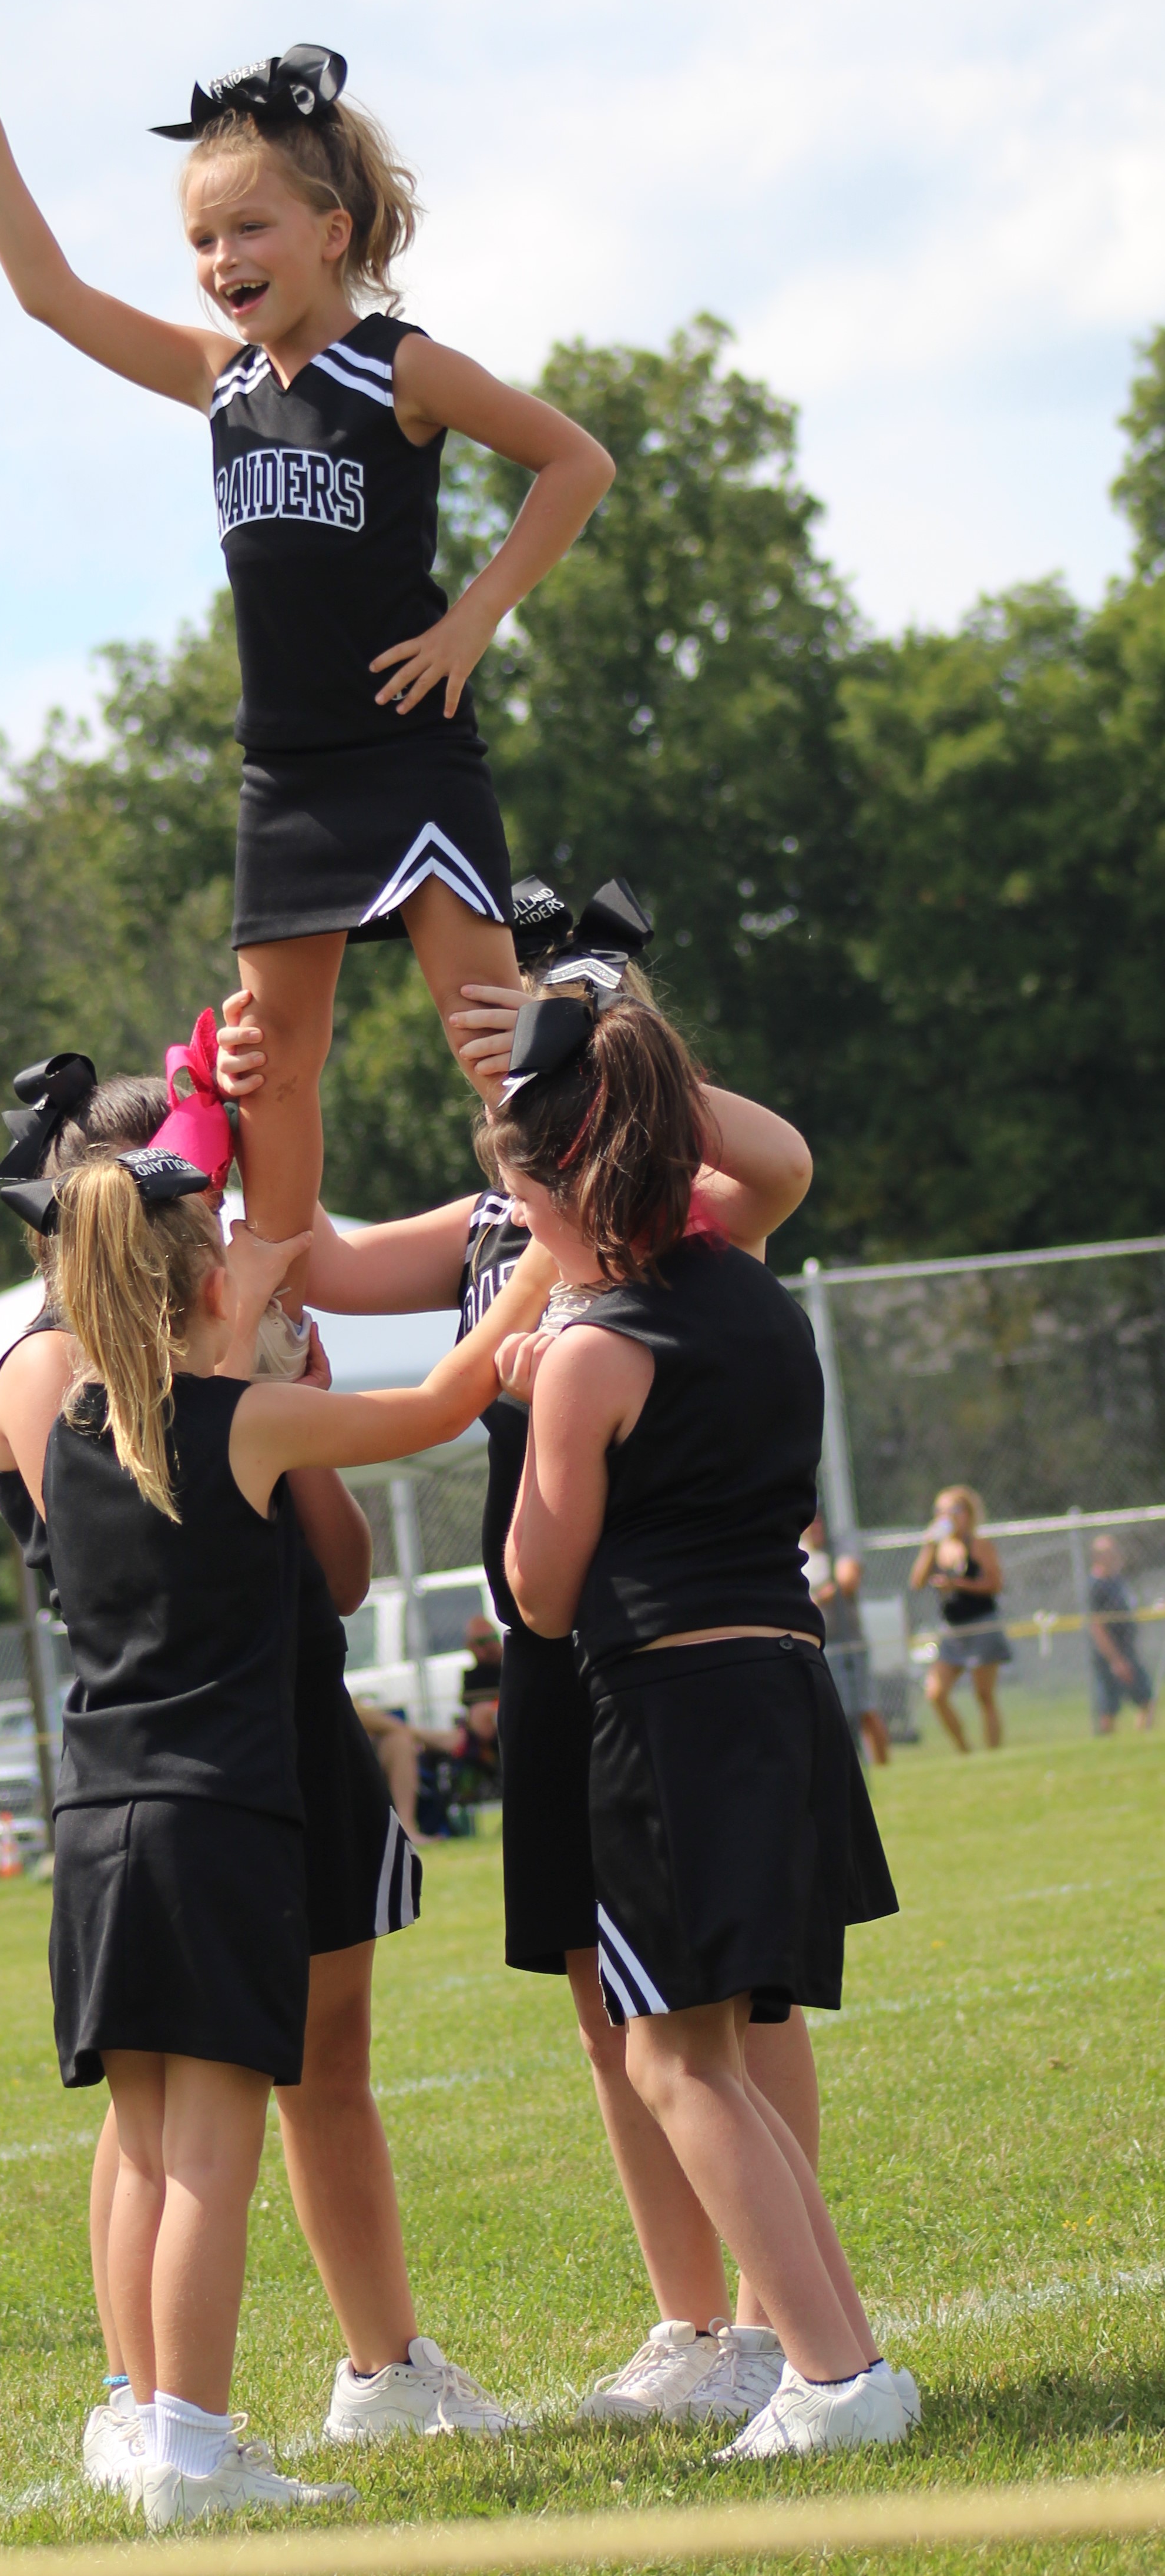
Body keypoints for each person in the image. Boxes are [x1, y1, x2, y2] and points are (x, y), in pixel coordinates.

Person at [0, 28, 613, 1365]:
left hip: (411, 757)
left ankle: (594, 1249)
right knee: (272, 1064)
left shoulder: (401, 368)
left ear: (330, 231)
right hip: (286, 779)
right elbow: (50, 295)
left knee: (492, 1039)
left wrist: (473, 617)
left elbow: (574, 462)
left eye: (249, 228)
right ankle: (281, 1307)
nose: (221, 259)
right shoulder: (218, 378)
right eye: (201, 239)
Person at [287, 894, 854, 2433]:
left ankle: (776, 2329)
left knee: (734, 2001)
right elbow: (316, 1259)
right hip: (561, 1654)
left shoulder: (675, 1196)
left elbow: (780, 1166)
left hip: (673, 1641)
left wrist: (611, 1036)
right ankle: (690, 2323)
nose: (492, 1026)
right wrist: (271, 1091)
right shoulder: (496, 1217)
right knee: (607, 1996)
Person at [0, 1135, 550, 2526]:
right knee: (213, 2157)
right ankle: (192, 2453)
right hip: (216, 1827)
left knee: (151, 2144)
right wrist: (544, 1255)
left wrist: (240, 1313)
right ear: (194, 1281)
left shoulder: (71, 1430)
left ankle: (157, 2430)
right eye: (226, 1246)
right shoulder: (240, 1421)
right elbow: (440, 1402)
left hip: (97, 1830)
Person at [490, 991, 914, 2460]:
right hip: (780, 1687)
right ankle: (843, 2365)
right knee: (720, 2060)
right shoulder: (752, 1289)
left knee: (671, 2060)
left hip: (669, 1710)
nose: (518, 1219)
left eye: (522, 1194)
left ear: (565, 1187)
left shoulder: (589, 1350)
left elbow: (537, 1594)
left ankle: (835, 2379)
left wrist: (531, 1399)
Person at [910, 1486, 1008, 1753]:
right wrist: (929, 1546)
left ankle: (994, 1753)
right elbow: (917, 1583)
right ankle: (964, 1749)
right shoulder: (938, 1548)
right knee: (936, 1693)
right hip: (952, 1630)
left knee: (984, 1695)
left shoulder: (979, 1545)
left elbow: (995, 1584)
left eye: (954, 1510)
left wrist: (958, 1584)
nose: (947, 1517)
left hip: (981, 1623)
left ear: (968, 1514)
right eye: (940, 1511)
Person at [803, 1517, 890, 1768]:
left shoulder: (840, 1548)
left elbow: (847, 1581)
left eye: (819, 1521)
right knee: (829, 1711)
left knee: (864, 1708)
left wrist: (815, 1599)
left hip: (848, 1643)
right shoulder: (799, 1554)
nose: (815, 1527)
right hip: (816, 1646)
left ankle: (884, 1767)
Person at [1087, 1534, 1155, 1736]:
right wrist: (1115, 1659)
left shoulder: (1117, 1580)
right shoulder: (1096, 1585)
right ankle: (1106, 1742)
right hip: (1110, 1653)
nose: (1116, 1556)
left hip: (1127, 1650)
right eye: (1110, 1553)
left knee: (1146, 1697)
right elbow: (1097, 1626)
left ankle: (1142, 1740)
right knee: (1109, 1706)